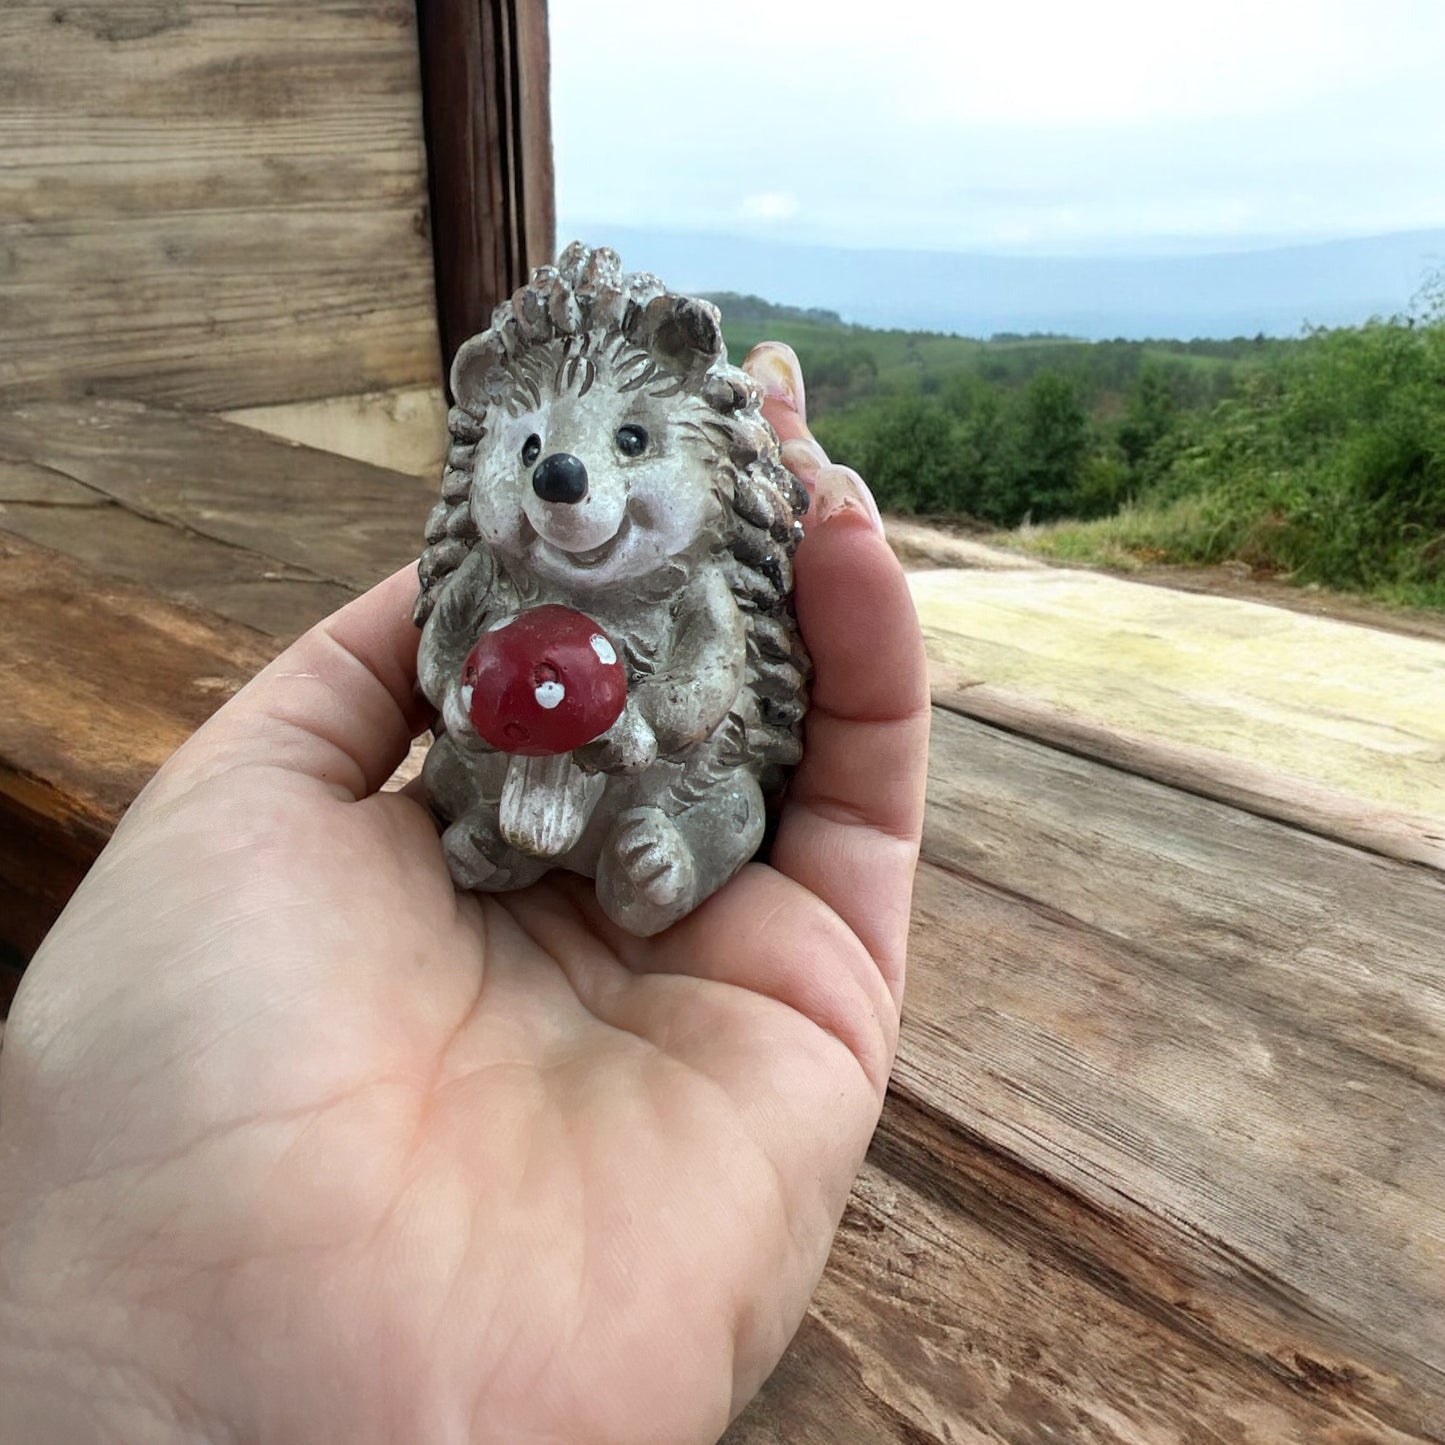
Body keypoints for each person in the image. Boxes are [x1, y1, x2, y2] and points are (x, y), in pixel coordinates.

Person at [0, 345, 929, 1445]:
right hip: (508, 778)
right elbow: (442, 655)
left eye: (632, 441)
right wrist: (480, 691)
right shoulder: (487, 571)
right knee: (462, 776)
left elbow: (698, 693)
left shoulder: (703, 593)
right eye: (530, 447)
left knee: (712, 803)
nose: (563, 477)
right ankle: (502, 837)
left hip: (657, 782)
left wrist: (633, 723)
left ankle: (653, 873)